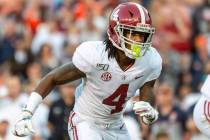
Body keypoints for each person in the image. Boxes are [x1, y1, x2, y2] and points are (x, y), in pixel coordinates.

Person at [13, 2, 162, 140]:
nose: (138, 41)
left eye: (142, 35)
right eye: (133, 33)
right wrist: (27, 113)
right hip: (86, 121)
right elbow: (53, 78)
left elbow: (146, 98)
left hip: (116, 125)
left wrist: (150, 114)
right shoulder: (95, 55)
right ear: (115, 32)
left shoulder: (150, 61)